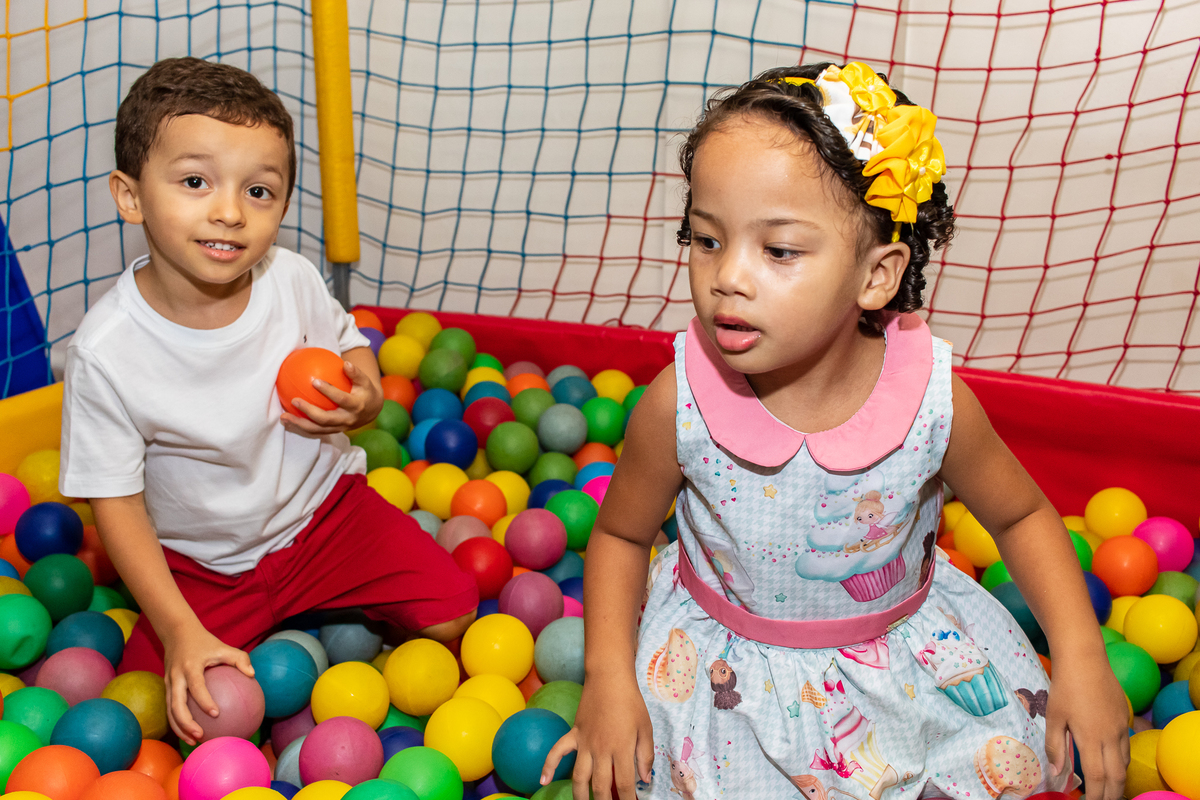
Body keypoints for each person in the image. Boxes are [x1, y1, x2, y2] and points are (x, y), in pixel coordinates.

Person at [541, 63, 1128, 800]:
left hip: (906, 677)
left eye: (778, 250)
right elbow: (623, 537)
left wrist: (1080, 655)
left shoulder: (932, 406)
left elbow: (1022, 514)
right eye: (707, 240)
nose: (728, 277)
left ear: (876, 276)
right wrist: (606, 681)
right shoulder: (680, 401)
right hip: (728, 692)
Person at [59, 57, 477, 744]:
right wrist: (179, 629)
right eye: (195, 182)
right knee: (177, 719)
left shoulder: (290, 278)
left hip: (326, 518)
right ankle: (259, 626)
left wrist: (365, 398)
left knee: (454, 613)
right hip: (205, 566)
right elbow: (116, 506)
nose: (229, 211)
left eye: (259, 191)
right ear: (130, 196)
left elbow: (350, 349)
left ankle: (319, 608)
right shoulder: (106, 351)